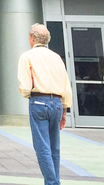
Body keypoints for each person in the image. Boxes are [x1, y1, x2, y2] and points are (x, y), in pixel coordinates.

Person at [18, 23, 72, 185]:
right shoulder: (56, 57)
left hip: (38, 100)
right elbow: (66, 86)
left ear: (32, 38)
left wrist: (26, 93)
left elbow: (26, 85)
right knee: (54, 147)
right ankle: (55, 180)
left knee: (42, 147)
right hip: (56, 102)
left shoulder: (27, 57)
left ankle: (52, 182)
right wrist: (64, 110)